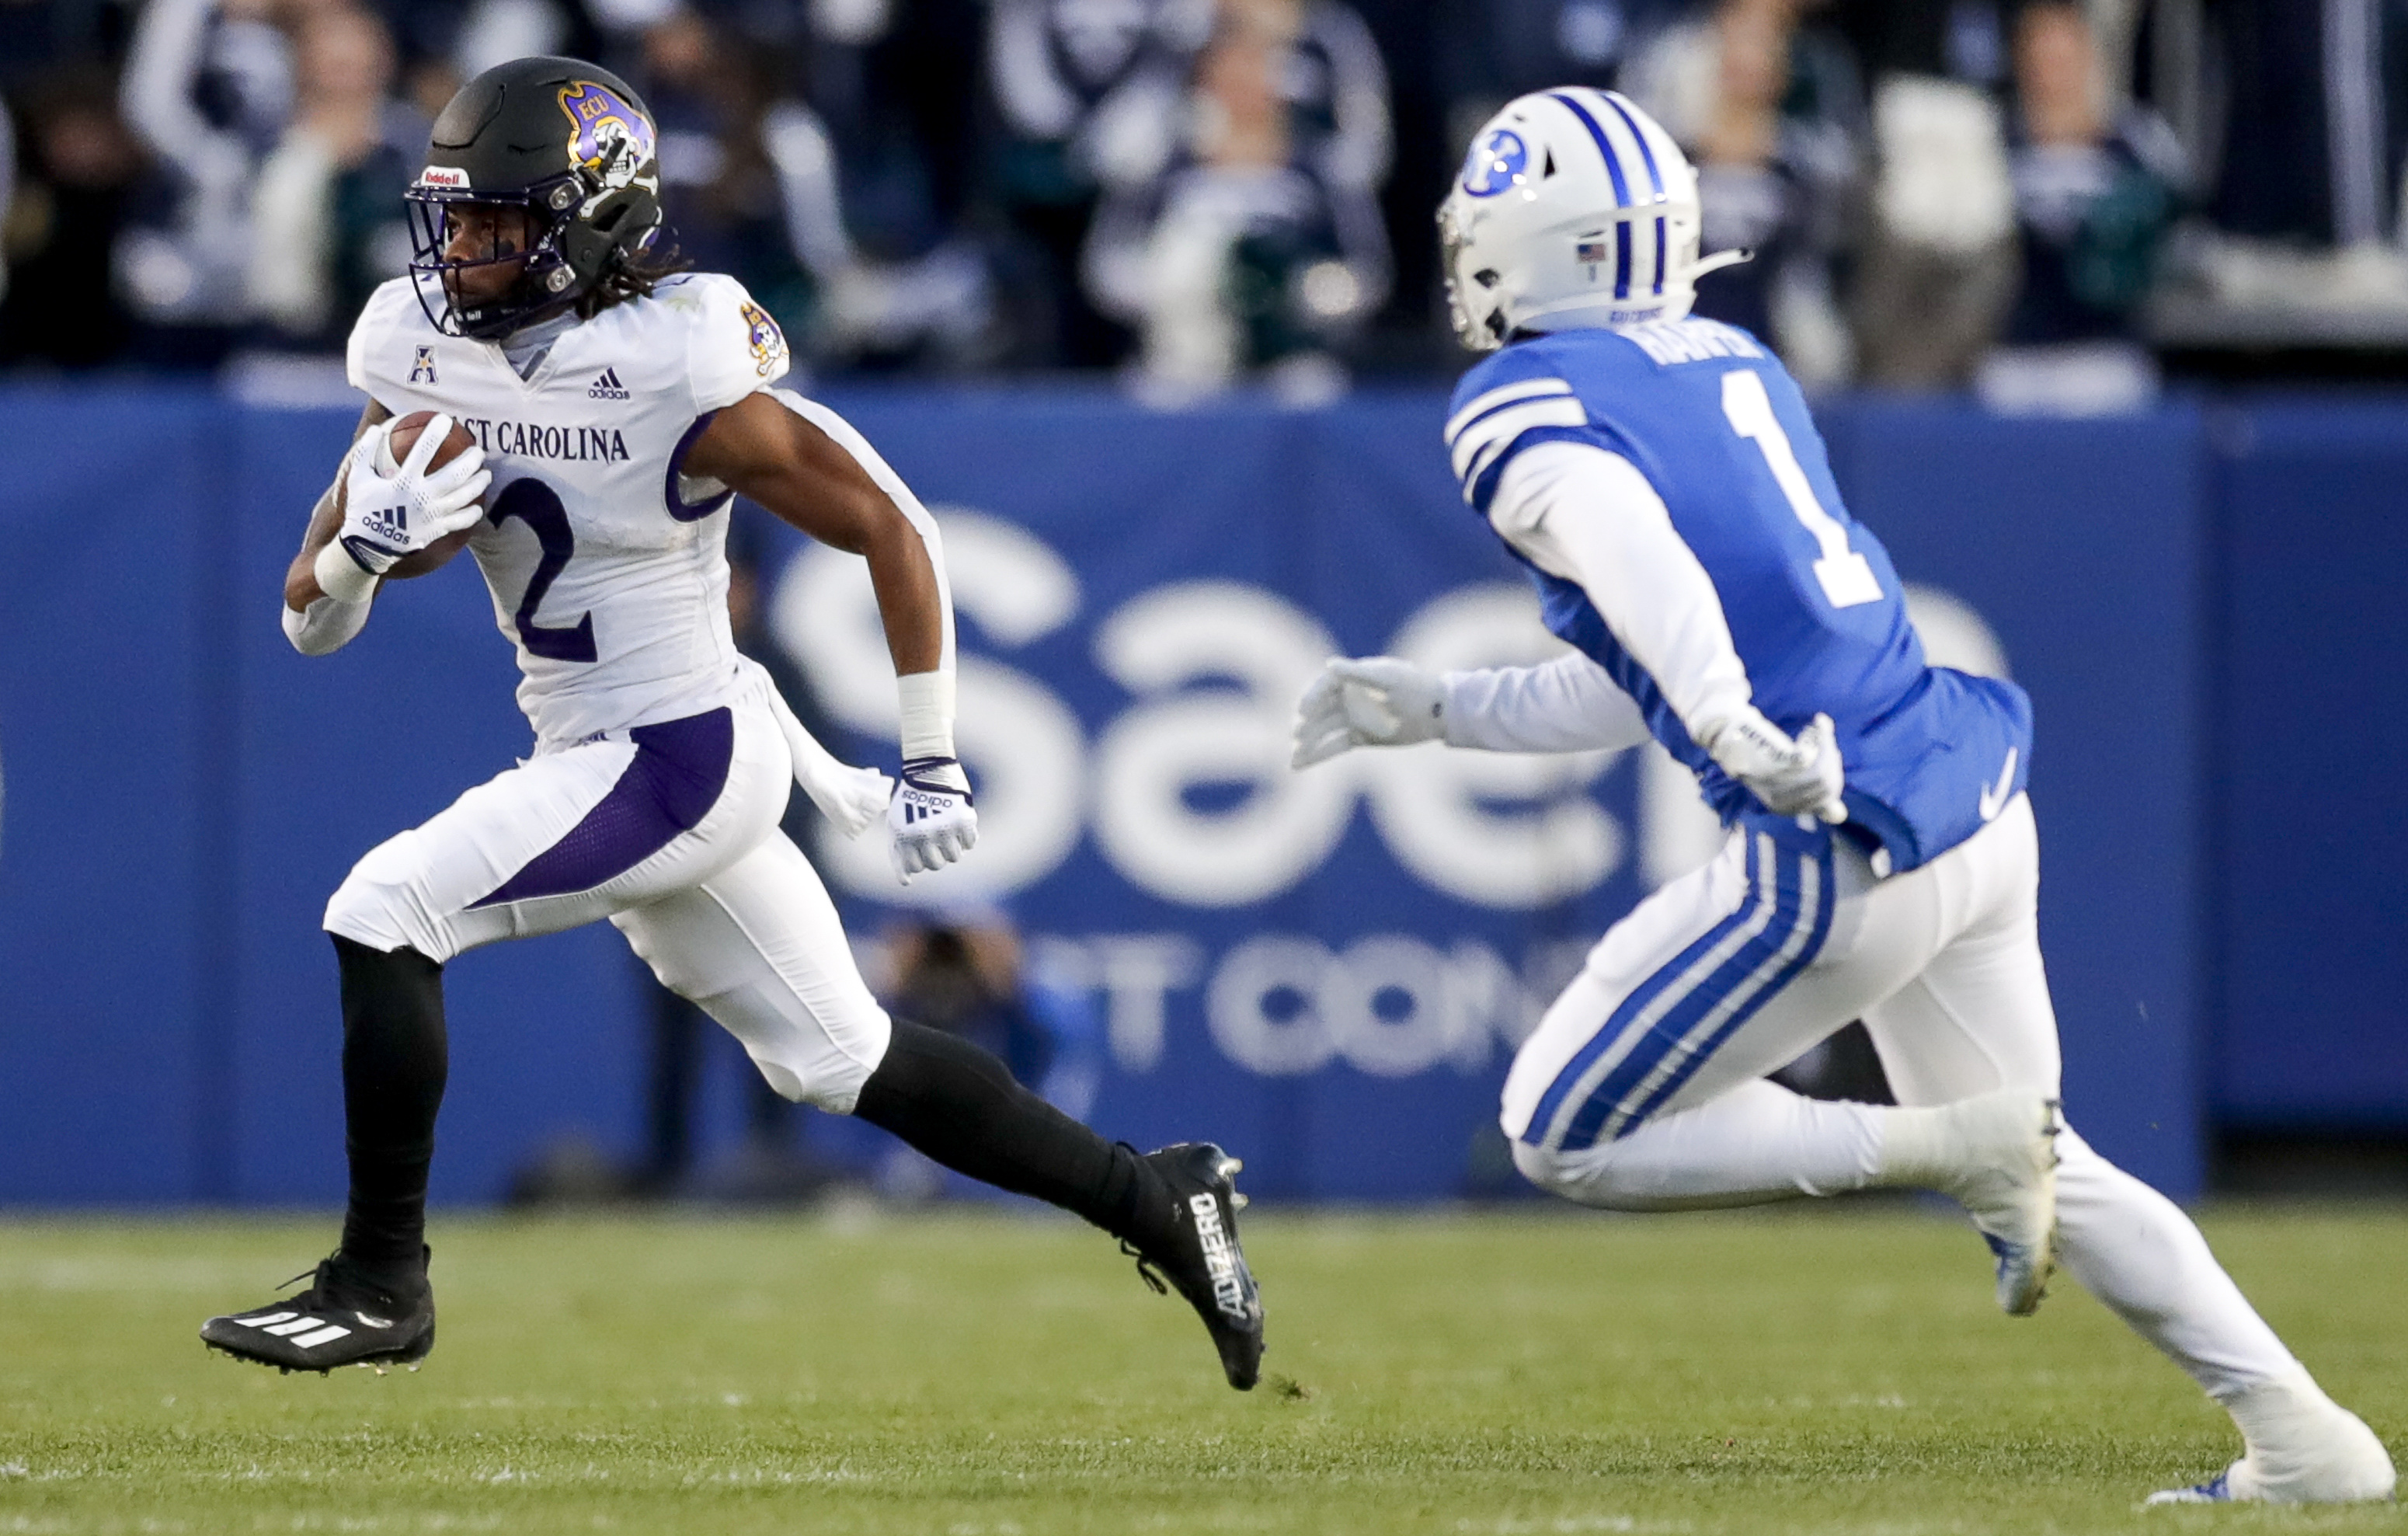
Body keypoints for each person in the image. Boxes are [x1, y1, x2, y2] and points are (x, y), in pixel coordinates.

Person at [1289, 86, 2395, 1505]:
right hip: (1970, 802)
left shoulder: (1518, 399)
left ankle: (1947, 1151)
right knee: (2060, 1155)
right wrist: (1443, 707)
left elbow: (1642, 567)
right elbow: (1636, 663)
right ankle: (2311, 1436)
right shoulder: (1729, 361)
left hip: (1839, 840)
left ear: (1535, 250)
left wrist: (1726, 721)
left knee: (1558, 1126)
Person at [197, 54, 1262, 1391]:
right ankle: (1163, 1199)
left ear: (594, 221)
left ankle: (377, 1282)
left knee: (385, 907)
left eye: (499, 222)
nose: (460, 250)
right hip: (602, 746)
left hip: (680, 749)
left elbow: (888, 520)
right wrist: (359, 550)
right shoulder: (416, 344)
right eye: (454, 217)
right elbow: (308, 621)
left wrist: (931, 752)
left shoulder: (677, 354)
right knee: (844, 1058)